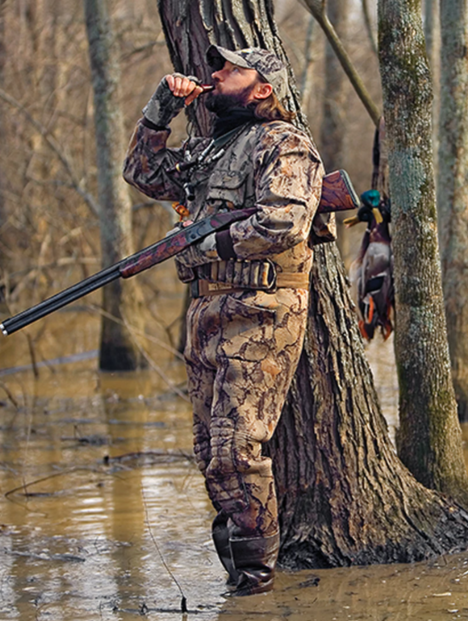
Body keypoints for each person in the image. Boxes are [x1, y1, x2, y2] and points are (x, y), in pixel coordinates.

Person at [123, 45, 328, 595]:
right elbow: (141, 173)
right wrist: (159, 110)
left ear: (263, 88)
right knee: (210, 452)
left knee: (238, 448)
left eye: (231, 69)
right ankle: (237, 577)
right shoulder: (208, 148)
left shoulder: (285, 143)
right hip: (206, 314)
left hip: (262, 310)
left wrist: (206, 241)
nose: (214, 75)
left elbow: (284, 222)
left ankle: (255, 585)